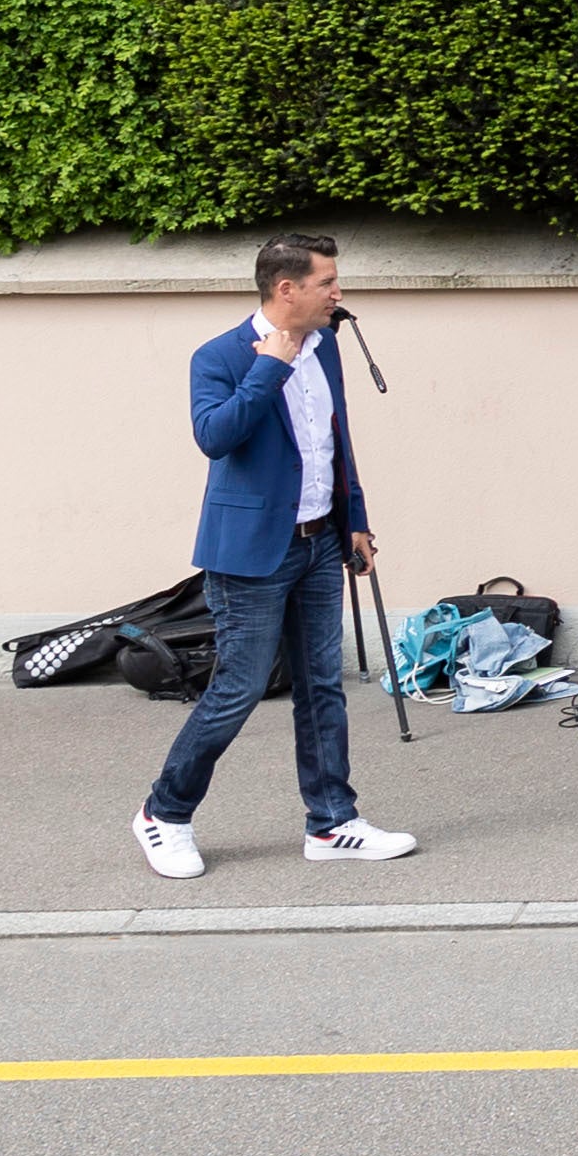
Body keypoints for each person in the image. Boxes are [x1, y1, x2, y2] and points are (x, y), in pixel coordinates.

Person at [137, 234, 419, 879]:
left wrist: (357, 522)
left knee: (323, 686)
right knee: (236, 689)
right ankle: (164, 813)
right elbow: (215, 438)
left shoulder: (329, 350)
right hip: (249, 556)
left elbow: (333, 444)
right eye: (328, 282)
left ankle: (331, 823)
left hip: (320, 542)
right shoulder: (219, 356)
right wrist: (270, 367)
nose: (338, 293)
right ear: (286, 288)